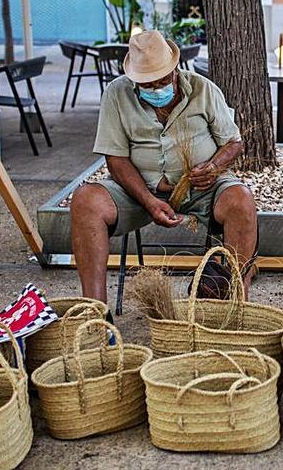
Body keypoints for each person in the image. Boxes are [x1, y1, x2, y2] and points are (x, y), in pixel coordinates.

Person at [71, 31, 258, 304]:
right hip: (138, 191)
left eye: (163, 80)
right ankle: (95, 310)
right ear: (134, 79)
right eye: (148, 85)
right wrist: (149, 201)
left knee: (242, 200)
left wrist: (213, 166)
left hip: (202, 190)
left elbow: (233, 142)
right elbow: (116, 159)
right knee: (85, 200)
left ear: (175, 68)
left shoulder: (203, 89)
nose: (158, 89)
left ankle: (236, 303)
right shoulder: (116, 94)